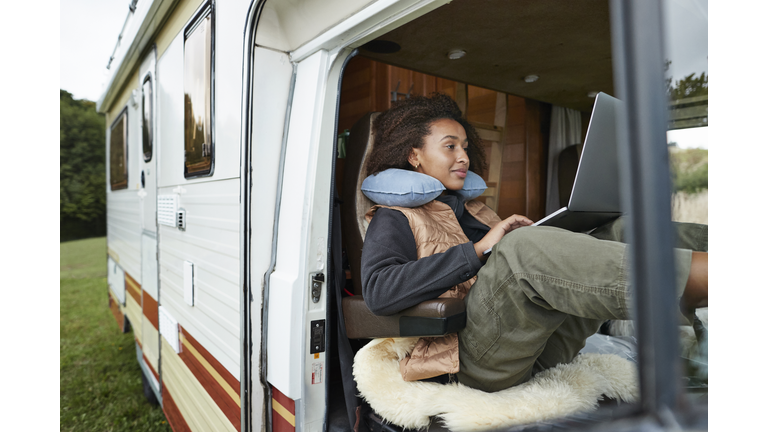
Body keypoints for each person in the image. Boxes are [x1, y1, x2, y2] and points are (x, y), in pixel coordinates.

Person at [360, 93, 708, 393]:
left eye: (465, 147)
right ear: (414, 155)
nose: (464, 157)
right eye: (450, 146)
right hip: (463, 364)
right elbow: (379, 291)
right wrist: (480, 251)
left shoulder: (475, 211)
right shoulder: (394, 216)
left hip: (533, 346)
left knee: (622, 228)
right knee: (520, 248)